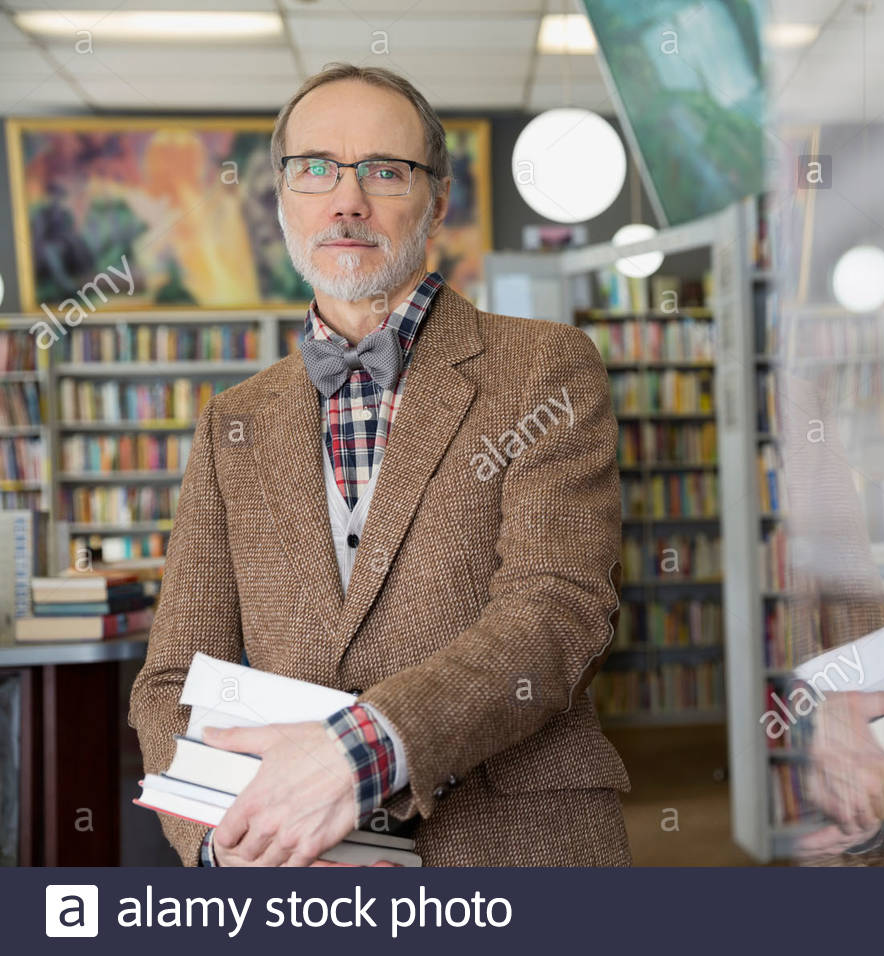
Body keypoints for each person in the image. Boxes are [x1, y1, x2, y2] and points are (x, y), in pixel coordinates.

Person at [128, 63, 630, 867]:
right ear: (282, 200)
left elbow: (560, 607)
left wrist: (361, 753)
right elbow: (172, 679)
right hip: (293, 870)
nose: (347, 198)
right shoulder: (234, 419)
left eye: (385, 171)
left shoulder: (547, 367)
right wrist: (222, 845)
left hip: (517, 851)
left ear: (438, 202)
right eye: (315, 168)